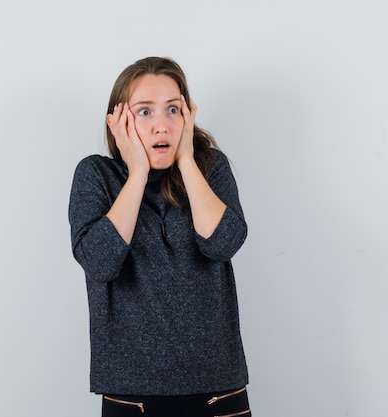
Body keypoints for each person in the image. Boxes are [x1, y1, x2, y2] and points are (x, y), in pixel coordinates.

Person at [68, 57, 251, 417]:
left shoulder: (210, 168)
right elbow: (100, 262)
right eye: (144, 112)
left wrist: (186, 160)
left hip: (218, 390)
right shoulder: (96, 175)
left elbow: (223, 243)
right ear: (118, 121)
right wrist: (136, 171)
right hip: (132, 397)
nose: (161, 126)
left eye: (172, 110)